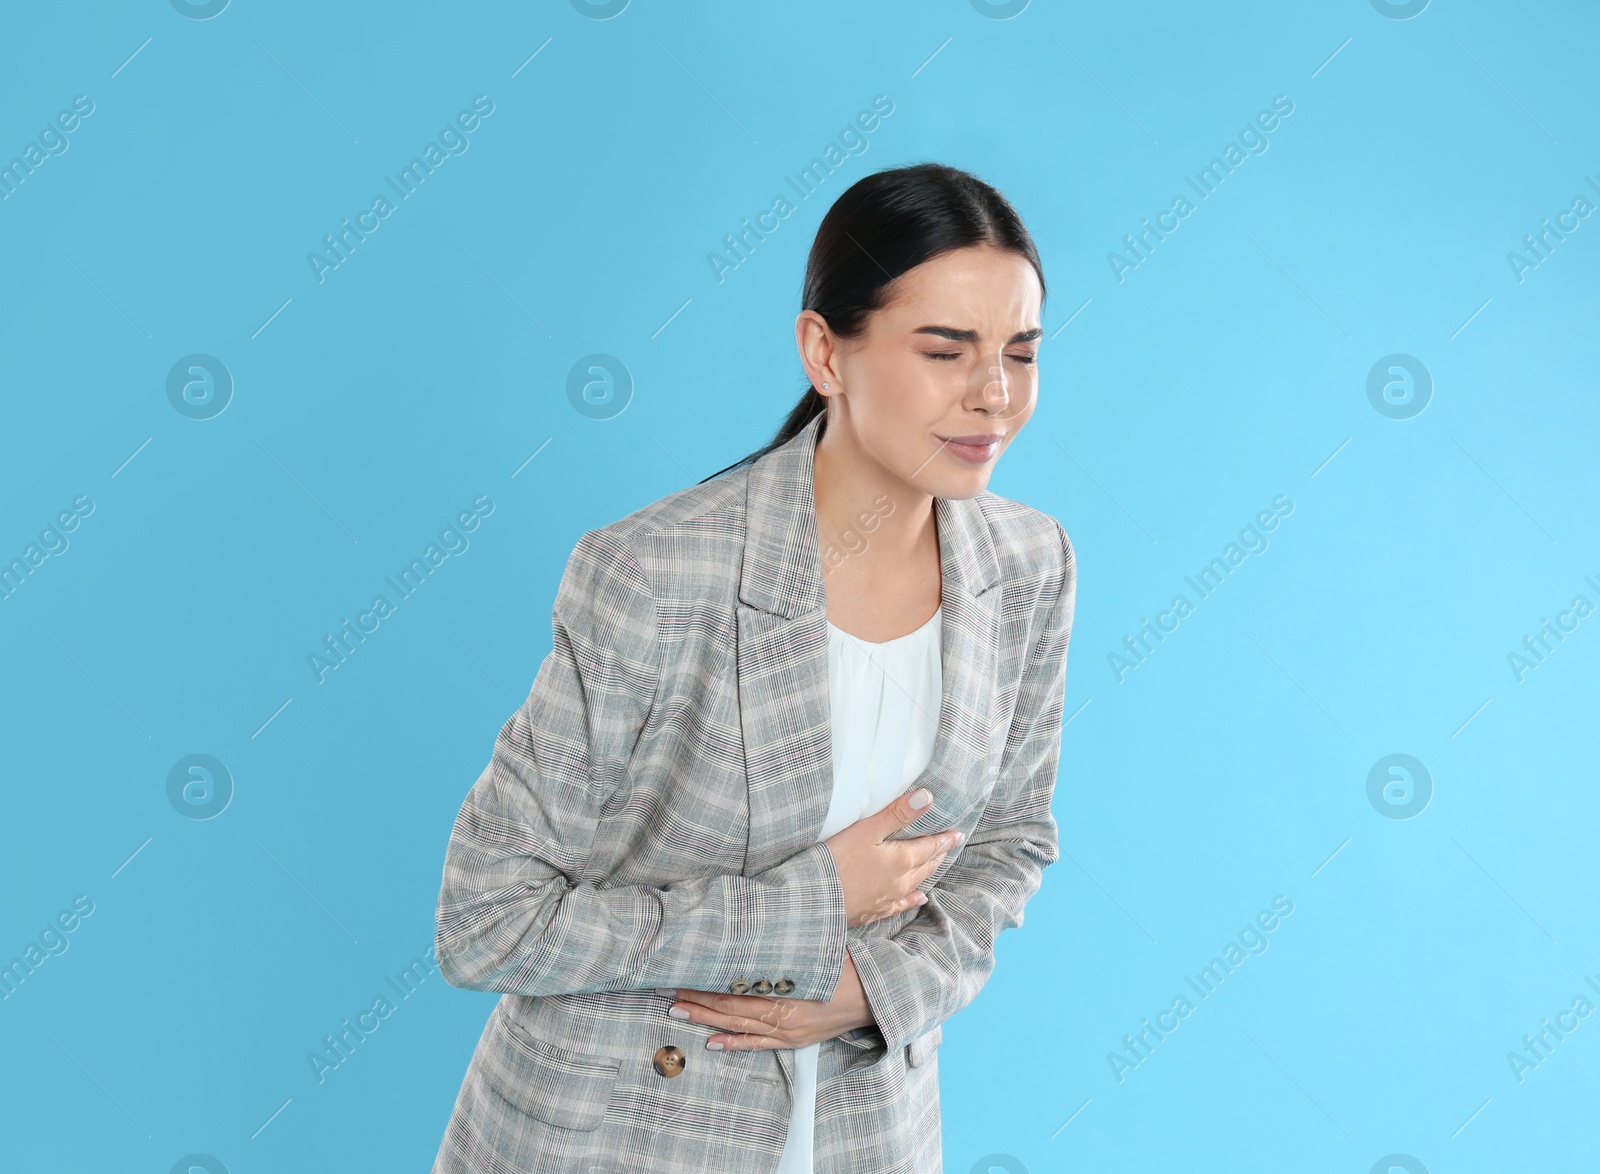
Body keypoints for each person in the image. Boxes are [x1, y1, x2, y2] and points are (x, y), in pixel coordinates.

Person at [430, 161, 1076, 1174]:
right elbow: (486, 920)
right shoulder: (656, 572)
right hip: (614, 1133)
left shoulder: (1030, 563)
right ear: (825, 351)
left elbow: (1011, 843)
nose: (994, 395)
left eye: (1021, 353)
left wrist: (874, 990)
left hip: (869, 1131)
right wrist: (808, 908)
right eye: (946, 350)